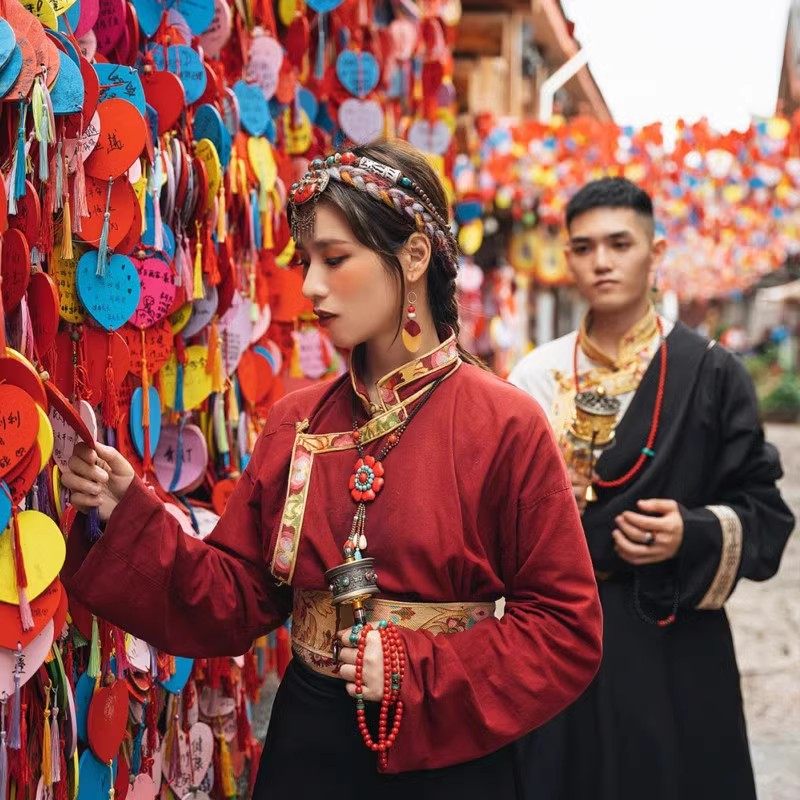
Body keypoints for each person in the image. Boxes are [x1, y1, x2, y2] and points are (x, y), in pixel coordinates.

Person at [61, 140, 603, 798]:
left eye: (336, 259)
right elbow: (235, 596)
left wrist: (417, 666)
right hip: (309, 744)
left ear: (413, 256)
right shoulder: (296, 421)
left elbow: (564, 626)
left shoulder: (505, 426)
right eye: (308, 260)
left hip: (450, 750)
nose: (312, 285)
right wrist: (128, 511)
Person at [509, 177, 795, 800]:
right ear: (567, 257)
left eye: (620, 243)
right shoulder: (534, 374)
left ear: (656, 252)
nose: (602, 262)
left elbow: (766, 511)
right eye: (584, 248)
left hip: (668, 635)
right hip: (559, 634)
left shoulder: (712, 372)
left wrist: (690, 532)